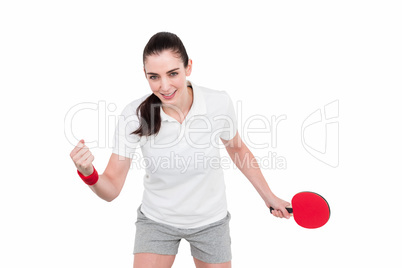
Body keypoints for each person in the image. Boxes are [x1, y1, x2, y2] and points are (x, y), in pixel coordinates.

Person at [70, 32, 290, 268]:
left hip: (210, 221)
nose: (164, 86)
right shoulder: (133, 115)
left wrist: (269, 197)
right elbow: (111, 189)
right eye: (154, 77)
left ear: (189, 67)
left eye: (173, 73)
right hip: (157, 221)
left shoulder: (217, 103)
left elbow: (237, 149)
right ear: (145, 75)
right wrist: (88, 173)